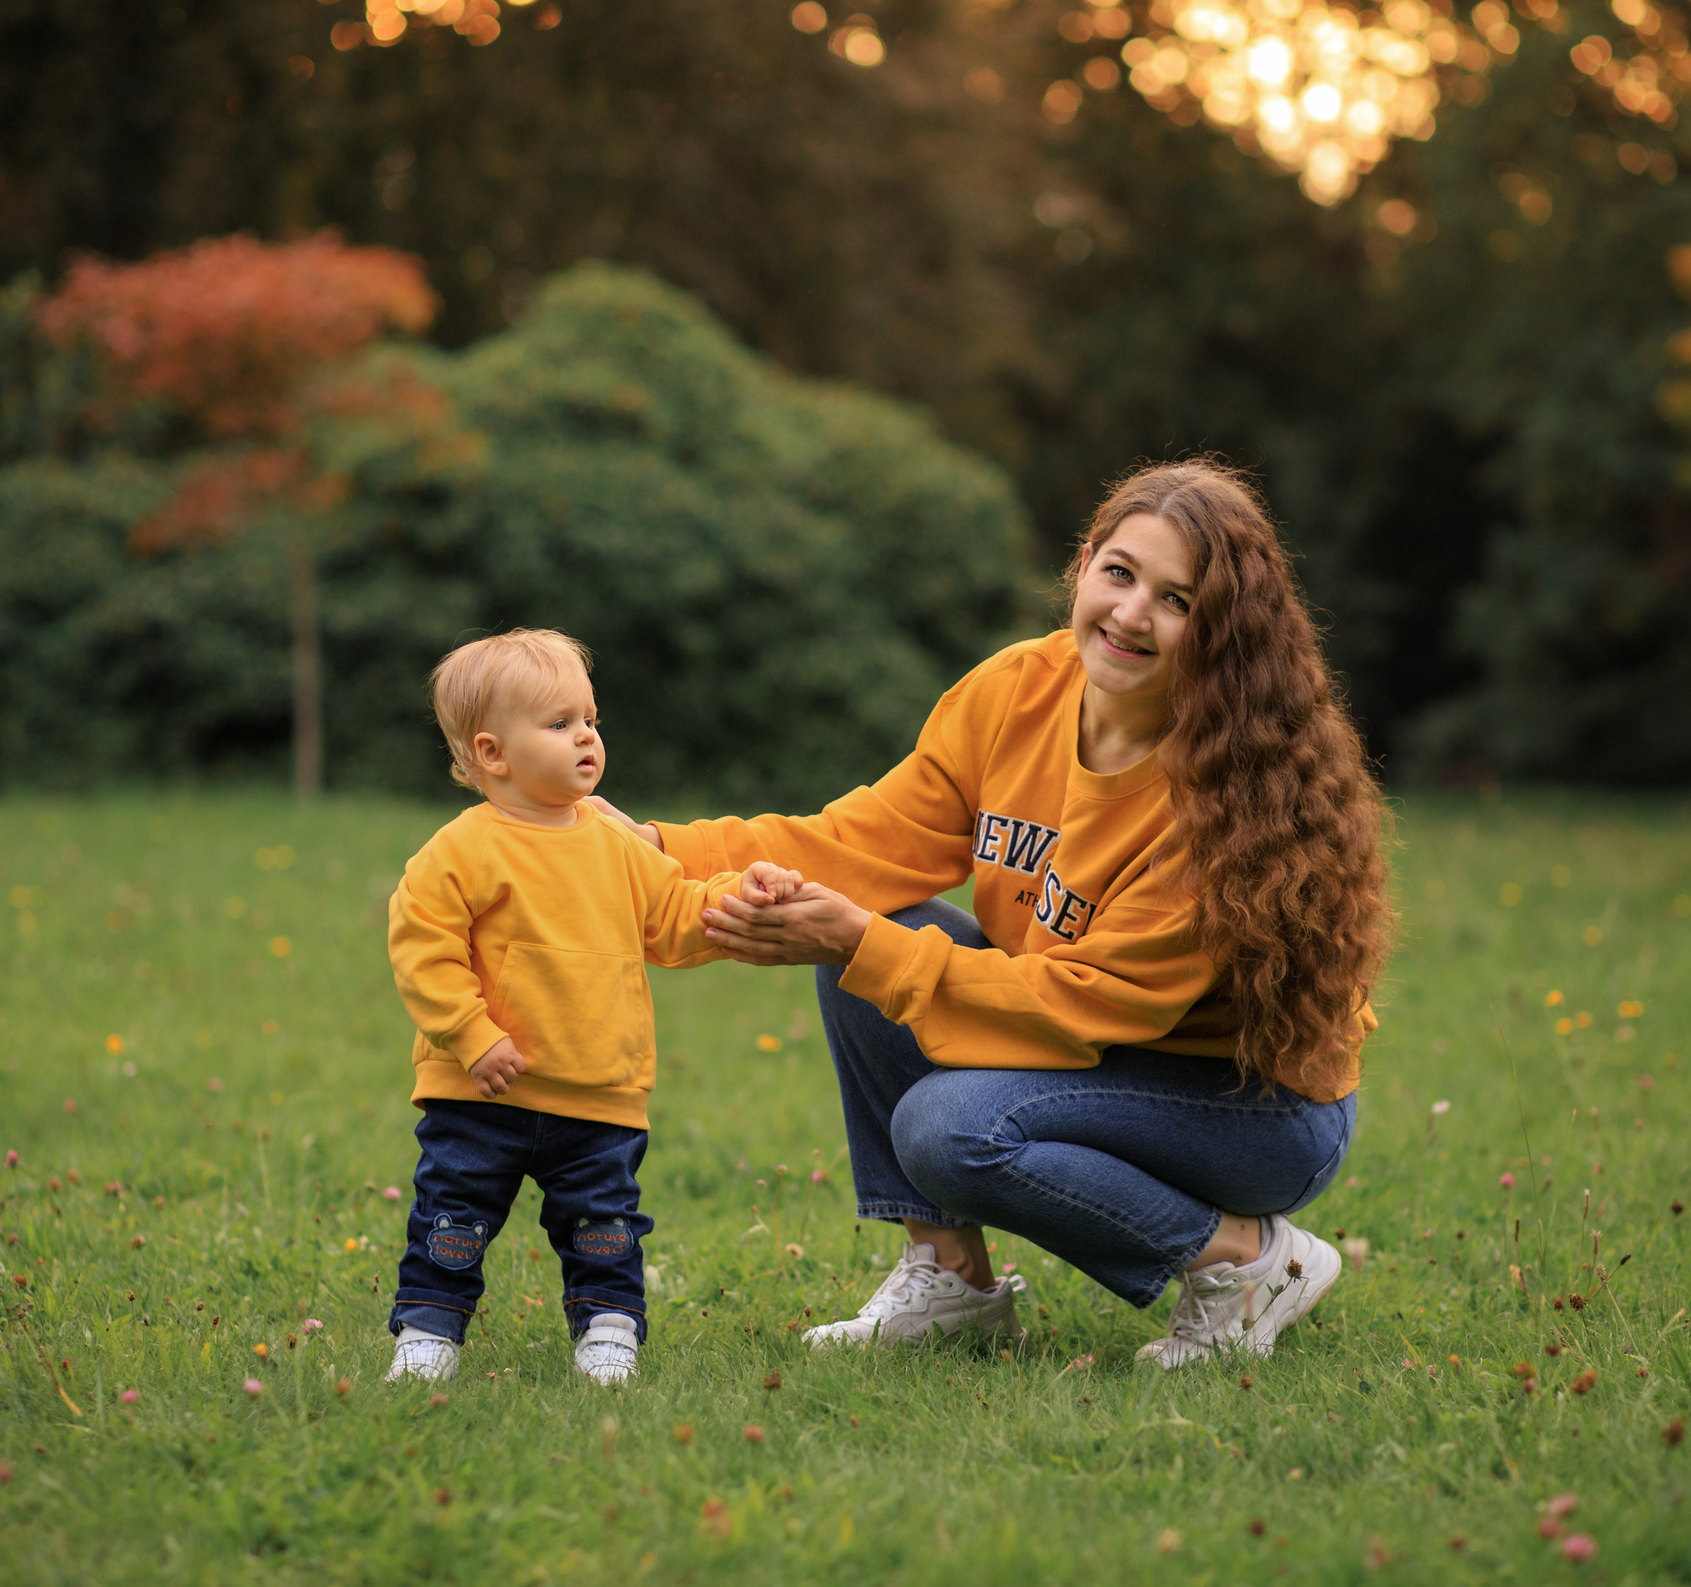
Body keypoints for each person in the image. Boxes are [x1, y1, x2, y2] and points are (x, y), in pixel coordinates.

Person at [600, 460, 1389, 1368]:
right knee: (883, 921)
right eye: (1121, 574)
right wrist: (661, 852)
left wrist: (862, 941)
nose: (1133, 615)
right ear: (1084, 563)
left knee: (949, 1124)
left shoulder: (1224, 798)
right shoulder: (1019, 688)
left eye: (1177, 601)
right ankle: (951, 1284)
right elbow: (867, 841)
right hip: (1105, 1047)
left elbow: (1081, 1006)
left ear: (1223, 631)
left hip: (1250, 1107)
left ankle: (1249, 1261)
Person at [384, 628, 793, 1386]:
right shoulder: (460, 850)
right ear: (493, 752)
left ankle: (608, 1325)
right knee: (453, 1215)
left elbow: (673, 911)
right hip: (482, 1088)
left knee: (603, 1224)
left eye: (590, 719)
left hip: (601, 1088)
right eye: (559, 723)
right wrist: (472, 1035)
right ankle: (429, 1326)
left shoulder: (615, 840)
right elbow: (423, 949)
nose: (586, 736)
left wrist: (739, 893)